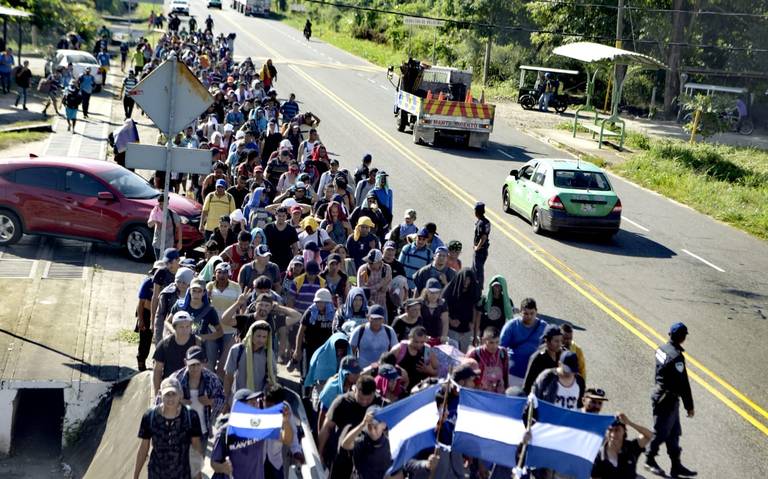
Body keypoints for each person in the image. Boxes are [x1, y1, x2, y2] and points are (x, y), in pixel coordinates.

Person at [645, 322, 697, 478]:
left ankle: (676, 465)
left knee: (673, 433)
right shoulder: (677, 357)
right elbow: (683, 383)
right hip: (667, 399)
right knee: (661, 431)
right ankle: (649, 459)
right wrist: (689, 406)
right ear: (682, 337)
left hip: (662, 395)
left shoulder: (661, 349)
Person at [209, 388, 293, 479]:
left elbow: (287, 440)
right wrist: (222, 468)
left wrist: (285, 422)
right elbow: (213, 463)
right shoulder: (225, 431)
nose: (257, 406)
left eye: (256, 403)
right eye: (253, 404)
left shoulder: (260, 427)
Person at [133, 377, 203, 479]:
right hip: (156, 473)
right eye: (167, 394)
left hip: (182, 474)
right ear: (160, 395)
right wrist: (135, 476)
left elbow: (196, 447)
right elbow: (144, 448)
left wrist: (198, 475)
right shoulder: (150, 416)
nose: (170, 399)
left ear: (180, 395)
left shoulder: (191, 416)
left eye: (174, 394)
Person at [318, 375, 381, 478]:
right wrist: (319, 453)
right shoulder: (341, 402)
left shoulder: (379, 404)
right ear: (355, 389)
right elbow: (326, 428)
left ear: (374, 393)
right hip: (341, 458)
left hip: (365, 461)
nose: (364, 402)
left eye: (368, 399)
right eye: (361, 398)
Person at [169, 346, 226, 444]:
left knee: (199, 459)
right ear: (185, 362)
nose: (195, 368)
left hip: (202, 431)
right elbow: (160, 401)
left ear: (204, 363)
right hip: (180, 431)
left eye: (198, 364)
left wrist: (210, 402)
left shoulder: (212, 379)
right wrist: (178, 402)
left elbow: (222, 400)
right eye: (191, 365)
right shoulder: (175, 379)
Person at [168, 278, 224, 372]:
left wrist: (202, 337)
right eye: (194, 290)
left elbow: (220, 332)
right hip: (179, 343)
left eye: (199, 291)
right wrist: (175, 332)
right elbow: (167, 321)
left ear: (203, 293)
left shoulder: (209, 310)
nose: (196, 294)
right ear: (189, 291)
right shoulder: (180, 305)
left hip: (197, 348)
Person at [500, 297, 547, 387]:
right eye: (525, 313)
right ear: (521, 312)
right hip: (512, 373)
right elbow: (501, 349)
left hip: (532, 375)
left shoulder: (544, 327)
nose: (529, 316)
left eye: (532, 313)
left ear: (536, 312)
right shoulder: (511, 326)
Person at [223, 320, 277, 400]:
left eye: (264, 337)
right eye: (258, 336)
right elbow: (228, 377)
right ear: (251, 334)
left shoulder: (268, 354)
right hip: (238, 398)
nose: (261, 340)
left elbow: (272, 377)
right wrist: (226, 398)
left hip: (259, 400)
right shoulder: (237, 350)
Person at [152, 312, 200, 396]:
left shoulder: (197, 342)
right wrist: (157, 392)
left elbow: (203, 367)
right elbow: (157, 370)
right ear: (174, 327)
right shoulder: (164, 344)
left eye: (187, 327)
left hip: (191, 386)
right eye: (181, 327)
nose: (185, 330)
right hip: (170, 385)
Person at [592, 414, 653, 479]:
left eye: (617, 430)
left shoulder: (631, 447)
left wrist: (630, 423)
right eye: (610, 430)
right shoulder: (599, 456)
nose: (613, 434)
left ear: (624, 431)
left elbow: (650, 436)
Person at [341, 406, 392, 479]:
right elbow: (345, 444)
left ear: (384, 425)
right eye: (369, 425)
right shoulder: (361, 440)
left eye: (375, 426)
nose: (372, 430)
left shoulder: (390, 445)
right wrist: (362, 424)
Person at [442, 268, 481, 352]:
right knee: (452, 354)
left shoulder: (473, 290)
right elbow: (443, 308)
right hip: (452, 329)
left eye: (469, 280)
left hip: (467, 330)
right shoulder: (450, 290)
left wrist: (473, 323)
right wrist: (450, 320)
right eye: (465, 279)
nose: (466, 282)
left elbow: (475, 308)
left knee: (465, 355)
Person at [389, 326, 438, 391]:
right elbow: (386, 367)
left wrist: (429, 370)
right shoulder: (398, 349)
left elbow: (437, 371)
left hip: (420, 390)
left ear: (425, 339)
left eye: (422, 342)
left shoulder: (428, 351)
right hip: (400, 389)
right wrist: (399, 371)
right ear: (409, 337)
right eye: (416, 342)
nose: (419, 345)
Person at [467, 327, 509, 393]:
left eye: (497, 342)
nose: (495, 346)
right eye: (491, 343)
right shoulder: (475, 354)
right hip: (479, 394)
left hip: (498, 394)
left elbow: (505, 375)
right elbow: (466, 378)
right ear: (483, 340)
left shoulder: (503, 352)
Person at [523, 324, 562, 394]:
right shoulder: (538, 358)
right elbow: (528, 384)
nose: (559, 344)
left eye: (560, 341)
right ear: (547, 341)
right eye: (556, 341)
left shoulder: (562, 355)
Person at [475, 275, 514, 340]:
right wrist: (476, 335)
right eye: (495, 286)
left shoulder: (507, 302)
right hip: (485, 334)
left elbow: (509, 318)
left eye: (499, 286)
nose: (497, 289)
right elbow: (478, 317)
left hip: (498, 335)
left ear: (502, 287)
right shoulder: (484, 300)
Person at [264, 206, 300, 271]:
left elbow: (295, 247)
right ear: (275, 216)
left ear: (286, 216)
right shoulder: (268, 228)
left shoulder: (291, 229)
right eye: (279, 216)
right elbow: (263, 244)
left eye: (283, 216)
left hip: (286, 262)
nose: (281, 218)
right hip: (270, 261)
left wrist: (293, 261)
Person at [147, 195, 182, 260]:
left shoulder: (172, 214)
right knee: (159, 263)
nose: (162, 206)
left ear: (167, 204)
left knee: (167, 263)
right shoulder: (155, 212)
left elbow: (179, 227)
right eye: (160, 204)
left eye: (164, 204)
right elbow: (149, 225)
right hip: (157, 244)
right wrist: (155, 216)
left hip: (169, 244)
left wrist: (180, 242)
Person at [472, 202, 491, 286]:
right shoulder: (486, 222)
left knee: (477, 270)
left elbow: (483, 237)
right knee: (476, 269)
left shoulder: (480, 223)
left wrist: (477, 247)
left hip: (480, 251)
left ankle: (478, 287)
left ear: (477, 212)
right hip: (484, 250)